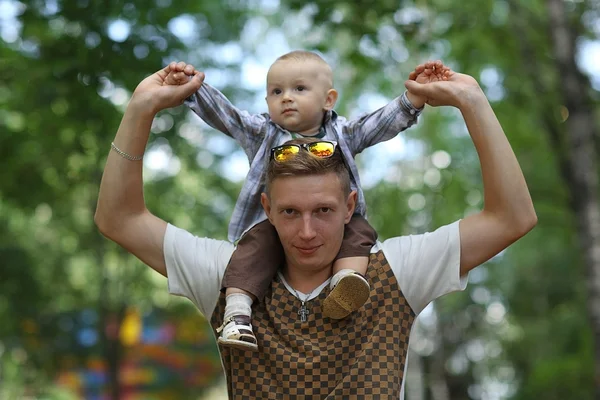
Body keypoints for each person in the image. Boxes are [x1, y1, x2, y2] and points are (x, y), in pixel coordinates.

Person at [94, 62, 536, 399]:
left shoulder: (396, 272)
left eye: (323, 210)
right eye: (289, 213)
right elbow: (120, 219)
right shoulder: (227, 277)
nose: (306, 231)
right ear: (266, 208)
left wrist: (473, 101)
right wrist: (140, 108)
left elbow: (510, 219)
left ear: (349, 207)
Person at [161, 51, 450, 350]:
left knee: (361, 232)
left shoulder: (343, 133)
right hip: (273, 226)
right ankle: (236, 313)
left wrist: (414, 98)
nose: (286, 98)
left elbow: (379, 124)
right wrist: (193, 88)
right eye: (276, 91)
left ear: (328, 99)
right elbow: (227, 116)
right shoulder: (263, 133)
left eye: (299, 89)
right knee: (253, 249)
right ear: (267, 102)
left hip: (338, 223)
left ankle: (345, 281)